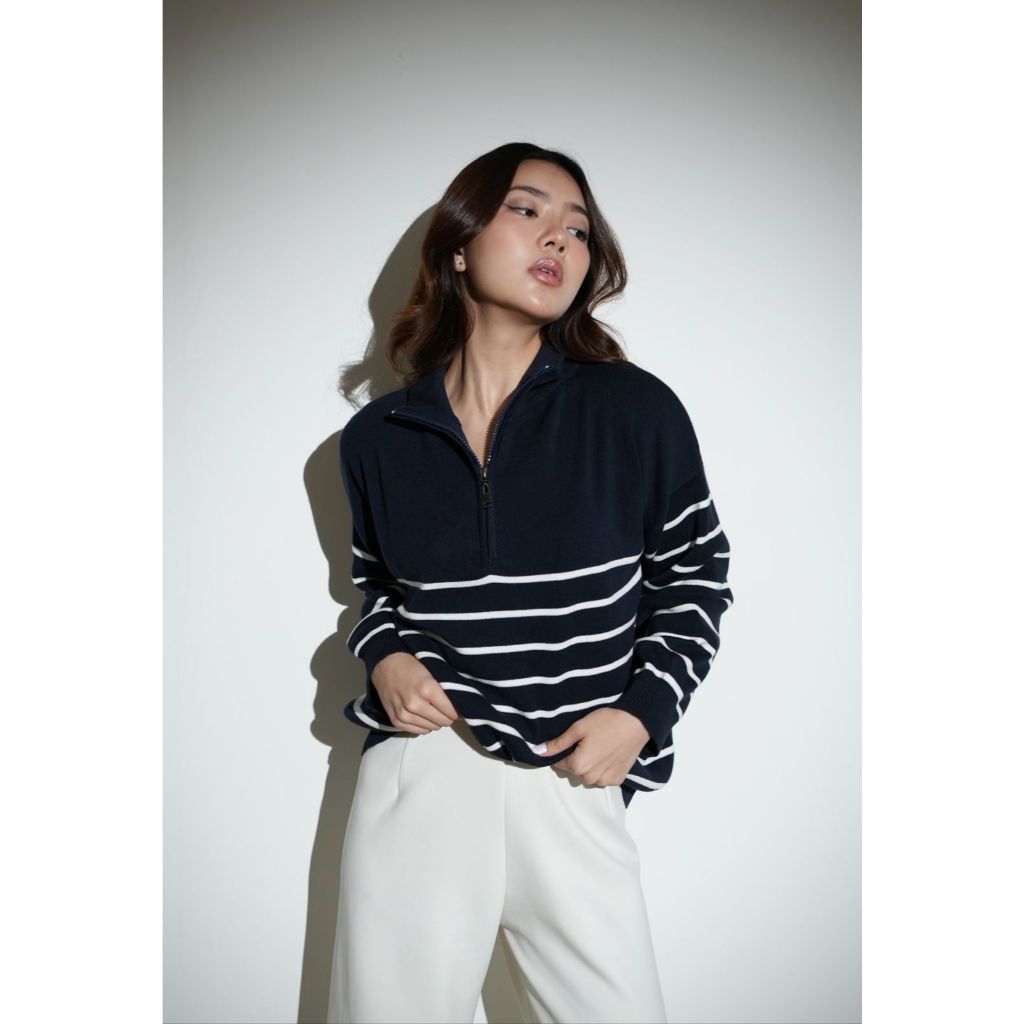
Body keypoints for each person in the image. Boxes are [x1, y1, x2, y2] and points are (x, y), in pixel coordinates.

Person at [327, 142, 734, 1024]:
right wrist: (385, 655)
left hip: (572, 772)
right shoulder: (377, 440)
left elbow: (697, 577)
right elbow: (374, 588)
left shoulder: (634, 410)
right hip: (425, 767)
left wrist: (641, 715)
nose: (560, 238)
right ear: (459, 245)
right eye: (528, 210)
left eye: (579, 229)